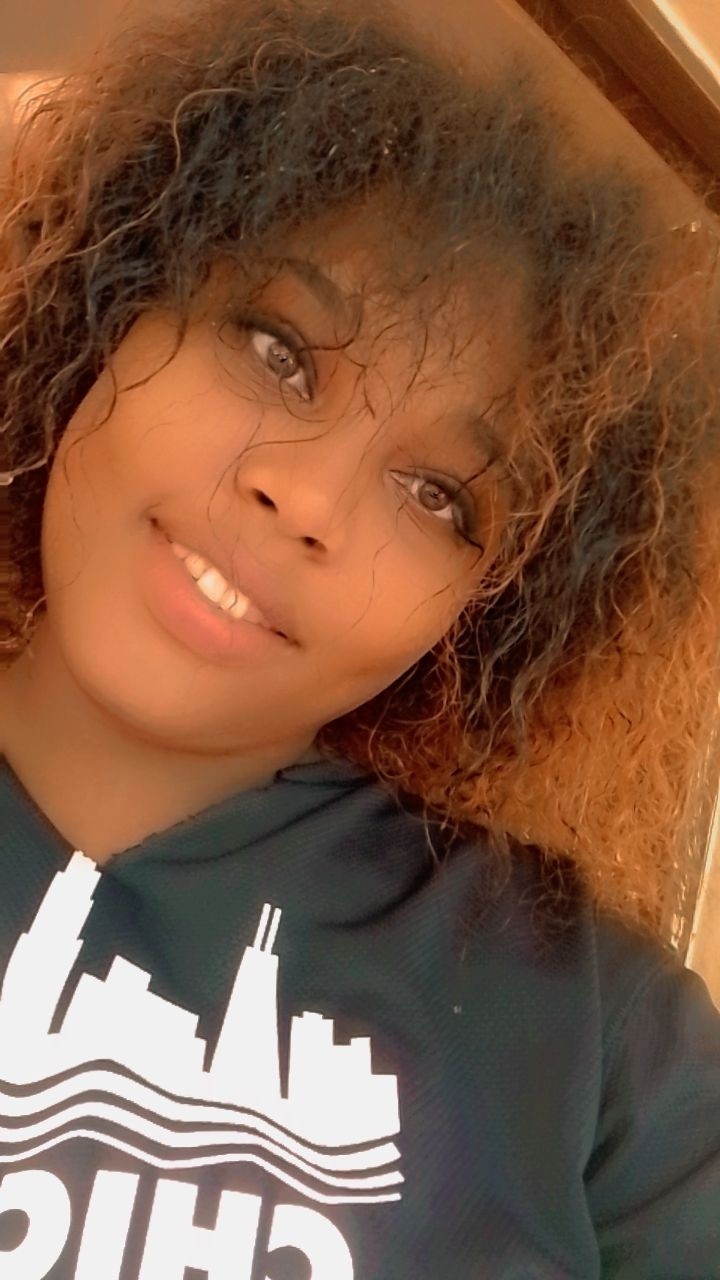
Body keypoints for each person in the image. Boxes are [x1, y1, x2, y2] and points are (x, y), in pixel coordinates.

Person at [0, 0, 719, 1273]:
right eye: (277, 349)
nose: (308, 499)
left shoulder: (601, 1037)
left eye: (439, 496)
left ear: (493, 611)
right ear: (108, 301)